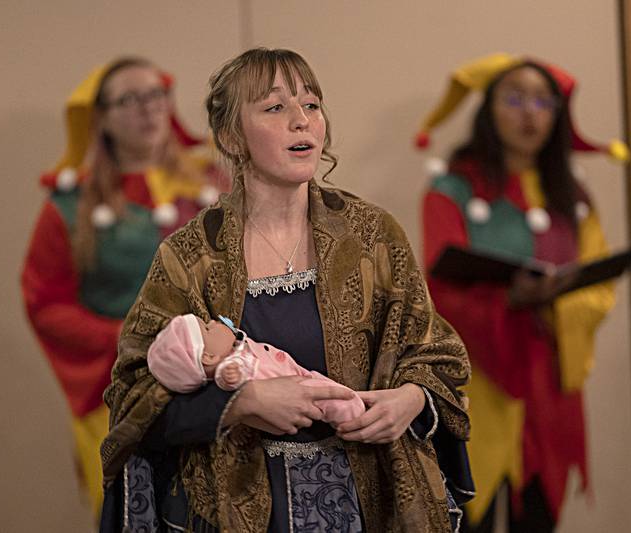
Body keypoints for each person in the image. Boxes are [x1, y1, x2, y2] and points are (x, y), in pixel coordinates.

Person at [99, 47, 472, 533]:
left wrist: (410, 400)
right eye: (275, 107)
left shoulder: (371, 235)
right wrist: (241, 403)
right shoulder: (191, 257)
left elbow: (435, 355)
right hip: (241, 507)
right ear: (233, 137)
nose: (302, 121)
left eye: (311, 105)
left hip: (368, 503)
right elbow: (133, 395)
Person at [416, 53, 628, 532]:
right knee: (470, 515)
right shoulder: (451, 190)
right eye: (514, 98)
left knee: (538, 517)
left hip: (546, 386)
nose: (529, 113)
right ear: (489, 109)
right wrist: (508, 301)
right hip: (475, 388)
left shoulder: (571, 197)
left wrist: (558, 298)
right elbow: (437, 289)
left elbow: (598, 289)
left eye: (542, 101)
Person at [21, 56, 226, 517]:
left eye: (156, 95)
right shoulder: (70, 207)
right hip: (119, 387)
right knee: (130, 511)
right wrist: (122, 338)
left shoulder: (214, 183)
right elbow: (45, 302)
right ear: (103, 118)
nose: (148, 109)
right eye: (130, 100)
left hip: (215, 380)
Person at [147, 314, 366, 423]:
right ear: (208, 357)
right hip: (295, 388)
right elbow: (228, 382)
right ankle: (353, 416)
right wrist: (228, 378)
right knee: (328, 398)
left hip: (296, 373)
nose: (213, 322)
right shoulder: (229, 367)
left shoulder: (235, 347)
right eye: (206, 327)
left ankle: (356, 402)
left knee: (325, 385)